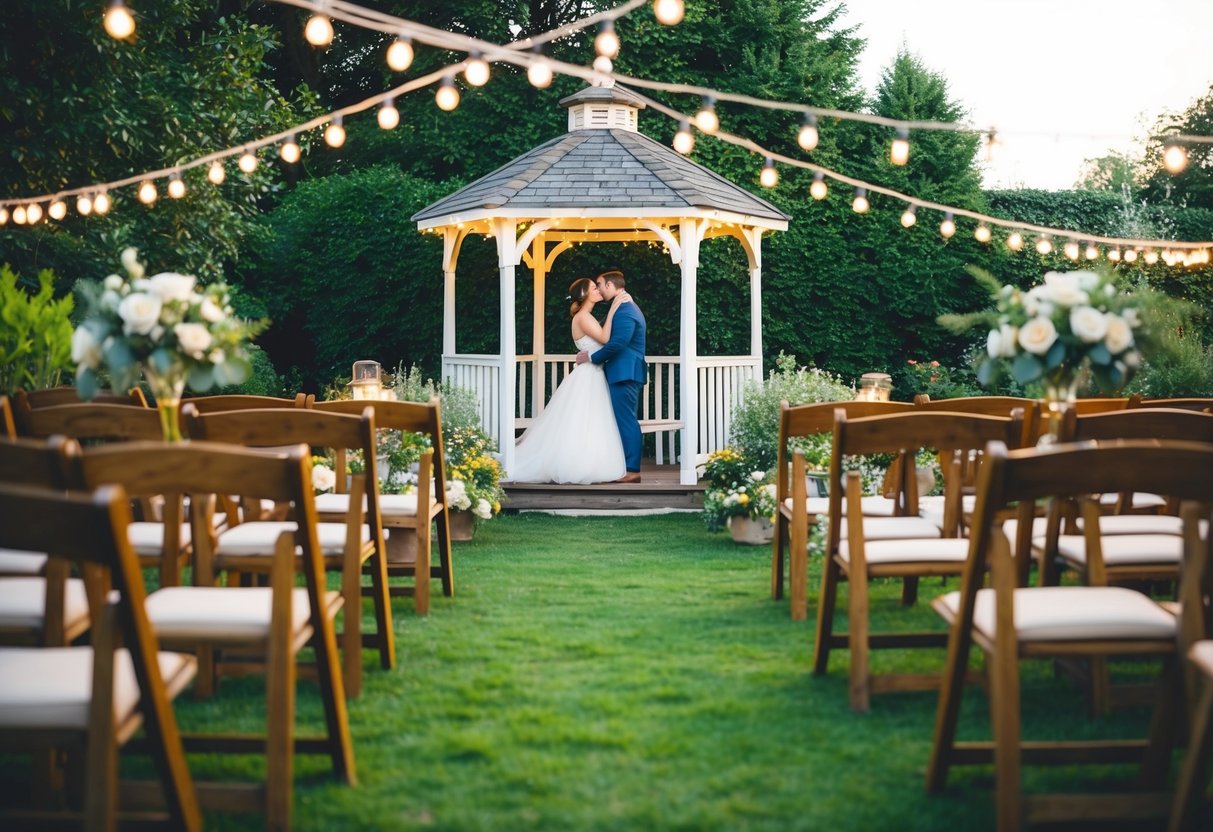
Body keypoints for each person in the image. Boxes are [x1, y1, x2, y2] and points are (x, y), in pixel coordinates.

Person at [509, 277, 629, 484]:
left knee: (590, 422)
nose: (598, 290)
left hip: (593, 374)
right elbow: (605, 339)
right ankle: (577, 464)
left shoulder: (586, 316)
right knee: (583, 422)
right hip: (589, 377)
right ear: (585, 295)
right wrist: (614, 309)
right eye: (594, 288)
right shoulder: (583, 317)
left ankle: (590, 461)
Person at [575, 269, 646, 484]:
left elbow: (617, 343)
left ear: (609, 286)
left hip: (625, 373)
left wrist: (591, 357)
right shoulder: (621, 308)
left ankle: (632, 470)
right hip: (621, 372)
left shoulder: (625, 309)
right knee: (622, 420)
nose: (598, 288)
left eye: (599, 284)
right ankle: (624, 466)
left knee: (626, 421)